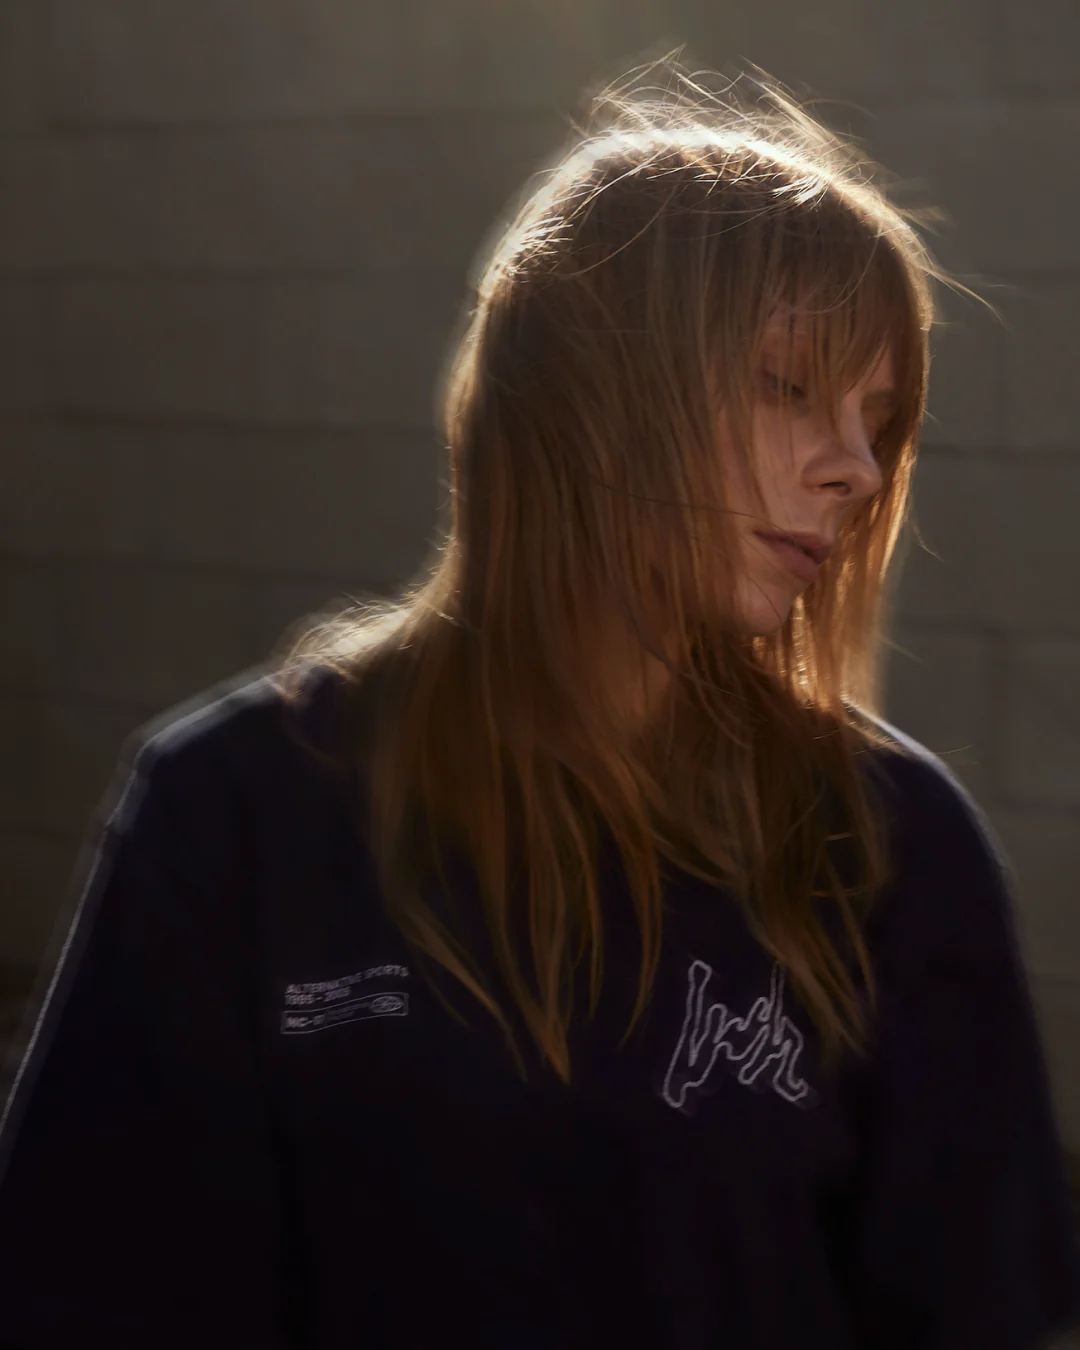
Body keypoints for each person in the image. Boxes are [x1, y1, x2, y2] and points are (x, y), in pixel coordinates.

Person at [0, 58, 1077, 1350]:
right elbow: (88, 1295)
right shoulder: (235, 809)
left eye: (878, 418)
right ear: (591, 394)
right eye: (790, 384)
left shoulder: (895, 846)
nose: (854, 466)